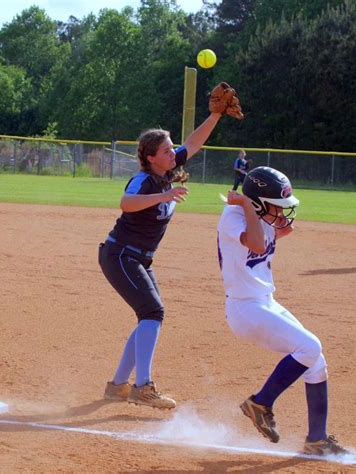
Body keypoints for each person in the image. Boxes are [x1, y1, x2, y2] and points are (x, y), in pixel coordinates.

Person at [99, 83, 243, 410]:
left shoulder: (167, 168)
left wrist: (215, 115)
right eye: (165, 151)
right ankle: (143, 386)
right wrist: (163, 196)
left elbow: (193, 142)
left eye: (171, 150)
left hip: (139, 260)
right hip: (120, 255)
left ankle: (118, 385)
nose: (172, 153)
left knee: (148, 315)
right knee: (152, 312)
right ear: (151, 158)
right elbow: (126, 202)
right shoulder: (146, 179)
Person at [217, 166, 348, 455]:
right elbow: (255, 242)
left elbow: (268, 239)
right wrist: (245, 205)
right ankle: (260, 403)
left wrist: (268, 218)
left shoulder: (259, 216)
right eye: (276, 206)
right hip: (244, 308)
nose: (281, 211)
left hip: (264, 301)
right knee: (310, 346)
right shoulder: (233, 217)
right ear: (258, 203)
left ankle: (316, 440)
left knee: (316, 360)